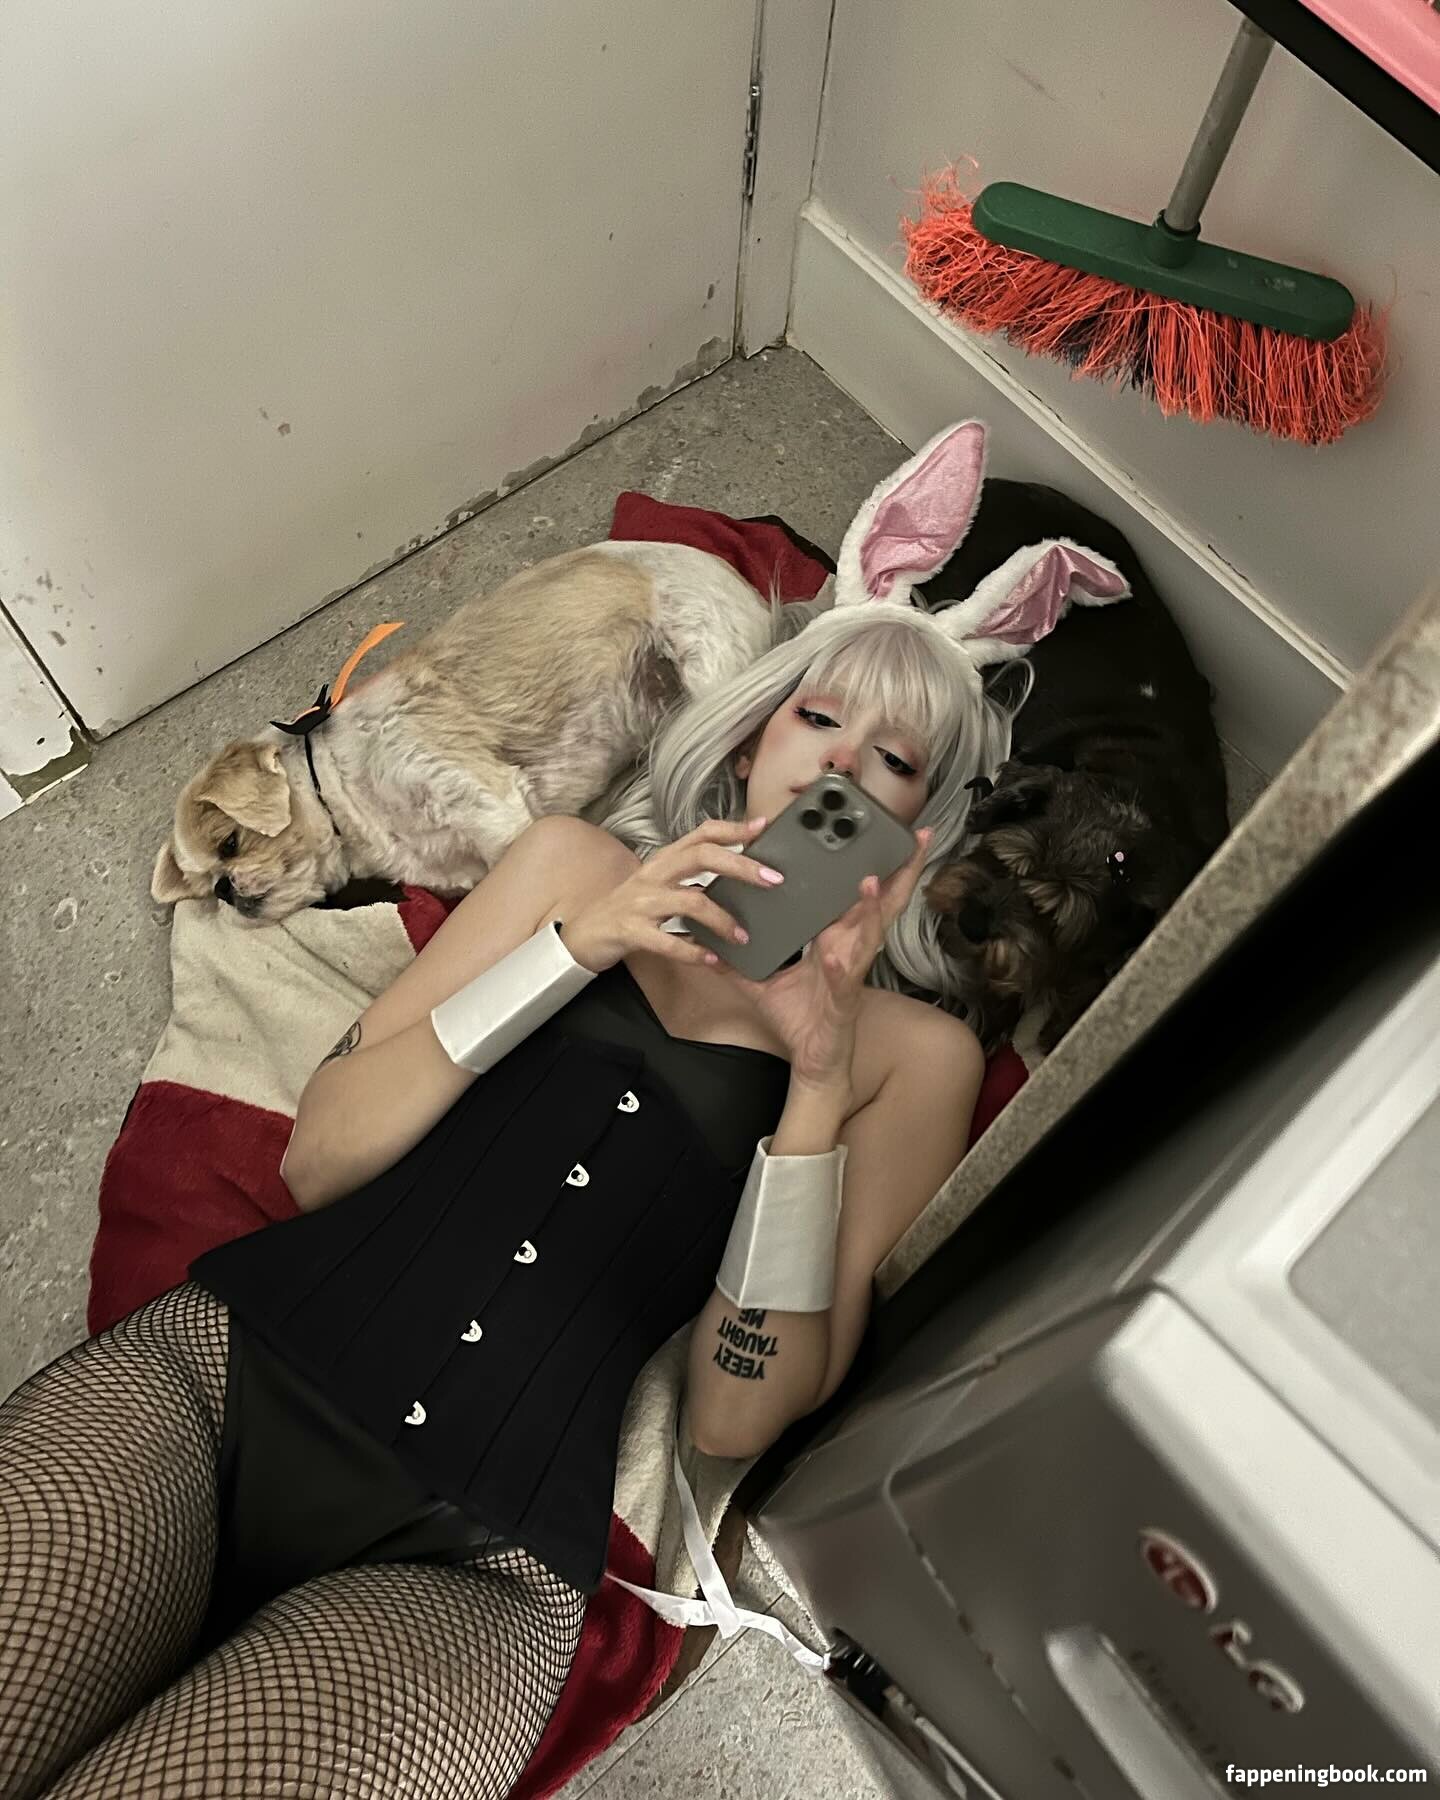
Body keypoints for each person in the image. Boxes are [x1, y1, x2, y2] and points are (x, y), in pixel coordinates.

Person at [0, 600, 1013, 1800]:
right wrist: (573, 950)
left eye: (891, 760)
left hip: (480, 1563)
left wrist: (816, 1085)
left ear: (916, 831)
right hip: (220, 1378)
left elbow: (735, 1418)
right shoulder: (573, 870)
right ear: (752, 739)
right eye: (820, 718)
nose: (841, 765)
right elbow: (321, 1160)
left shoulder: (910, 1060)